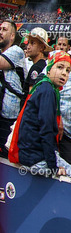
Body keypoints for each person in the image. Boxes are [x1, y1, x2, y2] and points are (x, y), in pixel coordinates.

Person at [15, 51, 71, 180]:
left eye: (68, 70)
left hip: (32, 154)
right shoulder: (47, 90)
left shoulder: (47, 88)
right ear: (49, 70)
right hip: (35, 158)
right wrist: (54, 167)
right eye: (60, 67)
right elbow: (46, 130)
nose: (64, 73)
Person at [0, 20, 26, 155]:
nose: (0, 32)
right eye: (0, 29)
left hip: (9, 119)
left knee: (5, 158)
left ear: (12, 36)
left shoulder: (17, 51)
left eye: (4, 30)